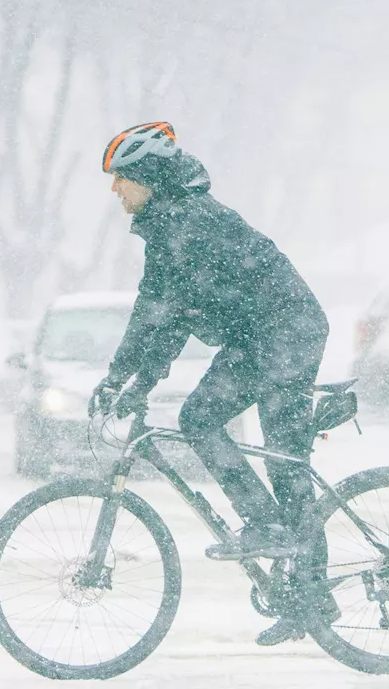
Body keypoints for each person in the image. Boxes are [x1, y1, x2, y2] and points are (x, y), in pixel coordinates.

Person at [89, 121, 334, 646]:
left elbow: (169, 314)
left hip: (284, 333)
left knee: (202, 419)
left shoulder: (190, 224)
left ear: (149, 177)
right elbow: (154, 310)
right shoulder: (171, 224)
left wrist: (133, 379)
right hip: (271, 334)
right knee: (287, 462)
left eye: (121, 178)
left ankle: (268, 529)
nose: (114, 189)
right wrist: (128, 377)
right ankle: (312, 599)